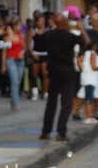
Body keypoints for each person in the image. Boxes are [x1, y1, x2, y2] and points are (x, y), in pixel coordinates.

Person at [34, 10, 83, 142]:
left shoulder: (49, 35)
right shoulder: (70, 36)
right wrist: (81, 29)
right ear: (65, 22)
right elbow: (86, 42)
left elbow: (37, 44)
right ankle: (61, 132)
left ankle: (46, 131)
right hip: (67, 72)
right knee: (66, 103)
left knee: (51, 102)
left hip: (54, 72)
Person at [3, 16, 27, 111]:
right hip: (11, 60)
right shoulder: (8, 36)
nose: (20, 27)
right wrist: (3, 65)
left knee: (18, 82)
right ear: (13, 26)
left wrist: (23, 52)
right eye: (18, 25)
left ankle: (13, 100)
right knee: (14, 82)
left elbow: (24, 47)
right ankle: (15, 105)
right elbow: (4, 51)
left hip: (20, 61)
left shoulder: (22, 35)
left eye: (20, 25)